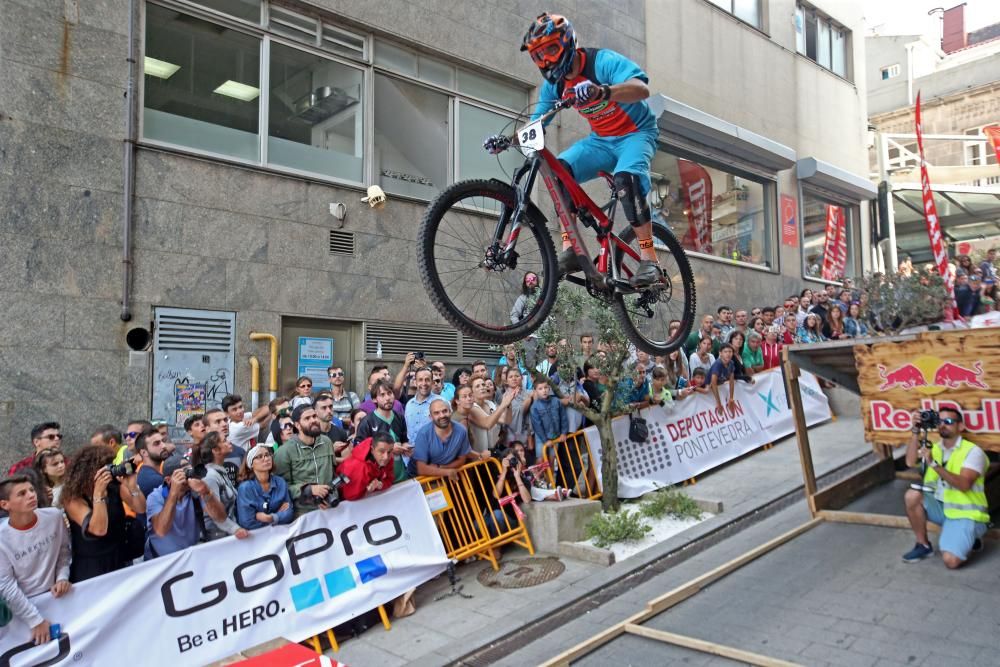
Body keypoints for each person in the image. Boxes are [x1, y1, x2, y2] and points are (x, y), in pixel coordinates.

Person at [495, 13, 660, 287]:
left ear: (568, 42)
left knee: (627, 179)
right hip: (601, 141)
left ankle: (649, 258)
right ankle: (571, 249)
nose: (546, 60)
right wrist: (507, 141)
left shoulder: (602, 62)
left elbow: (641, 89)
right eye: (538, 56)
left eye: (551, 49)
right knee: (558, 173)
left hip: (636, 134)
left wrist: (602, 92)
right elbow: (538, 120)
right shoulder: (555, 85)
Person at [902, 408, 989, 568]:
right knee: (912, 495)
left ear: (961, 426)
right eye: (940, 422)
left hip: (966, 513)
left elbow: (964, 485)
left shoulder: (972, 452)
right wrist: (915, 431)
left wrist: (934, 464)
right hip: (943, 508)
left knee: (951, 561)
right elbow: (909, 462)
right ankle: (923, 545)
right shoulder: (935, 448)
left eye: (948, 422)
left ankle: (972, 536)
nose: (943, 425)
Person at [0, 475, 72, 646]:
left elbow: (64, 551)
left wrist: (62, 577)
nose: (31, 495)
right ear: (5, 504)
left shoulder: (54, 516)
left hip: (59, 599)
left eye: (32, 490)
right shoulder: (2, 538)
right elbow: (6, 584)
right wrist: (35, 620)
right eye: (22, 494)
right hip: (21, 612)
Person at [60, 445, 146, 582]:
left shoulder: (113, 487)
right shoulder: (73, 497)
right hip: (92, 563)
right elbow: (98, 529)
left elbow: (140, 508)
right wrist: (98, 494)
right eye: (103, 468)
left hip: (119, 556)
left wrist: (132, 486)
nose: (107, 472)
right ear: (89, 471)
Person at [146, 458, 230, 558]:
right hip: (163, 561)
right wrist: (173, 493)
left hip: (190, 557)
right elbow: (161, 530)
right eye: (185, 472)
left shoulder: (195, 491)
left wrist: (206, 493)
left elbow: (221, 518)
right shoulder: (155, 497)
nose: (189, 476)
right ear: (168, 480)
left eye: (189, 470)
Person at [273, 404, 338, 517]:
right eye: (307, 418)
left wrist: (331, 496)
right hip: (302, 514)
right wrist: (308, 490)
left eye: (314, 416)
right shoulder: (284, 451)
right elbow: (280, 489)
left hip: (329, 509)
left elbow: (333, 476)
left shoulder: (327, 442)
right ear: (297, 425)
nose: (313, 420)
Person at [410, 399, 489, 478]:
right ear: (431, 417)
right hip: (420, 477)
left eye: (445, 411)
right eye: (436, 413)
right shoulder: (424, 434)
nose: (442, 415)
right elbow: (421, 469)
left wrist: (443, 468)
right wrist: (446, 472)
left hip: (443, 474)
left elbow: (461, 459)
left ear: (450, 412)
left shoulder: (461, 430)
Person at [355, 379, 413, 482]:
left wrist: (405, 447)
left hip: (400, 476)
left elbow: (404, 440)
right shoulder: (367, 422)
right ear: (374, 399)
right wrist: (388, 450)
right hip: (379, 480)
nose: (387, 398)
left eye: (389, 393)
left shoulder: (399, 417)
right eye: (382, 395)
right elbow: (358, 452)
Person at [197, 432, 251, 541]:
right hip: (217, 538)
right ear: (216, 450)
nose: (229, 442)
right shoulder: (210, 476)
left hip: (226, 535)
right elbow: (214, 513)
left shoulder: (219, 472)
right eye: (224, 440)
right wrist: (235, 529)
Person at [236, 444, 293, 530]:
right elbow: (247, 522)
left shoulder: (280, 482)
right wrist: (278, 516)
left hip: (280, 536)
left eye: (267, 455)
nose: (266, 459)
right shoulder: (245, 488)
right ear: (250, 464)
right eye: (259, 457)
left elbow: (289, 513)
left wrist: (271, 518)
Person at [337, 434, 396, 502]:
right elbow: (350, 496)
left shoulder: (388, 458)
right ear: (372, 450)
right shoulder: (358, 467)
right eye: (381, 451)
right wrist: (366, 490)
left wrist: (380, 485)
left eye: (389, 452)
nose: (386, 457)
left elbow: (390, 479)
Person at [469, 376, 515, 455]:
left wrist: (508, 404)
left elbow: (507, 420)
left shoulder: (490, 404)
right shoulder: (471, 407)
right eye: (477, 386)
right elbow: (487, 423)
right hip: (479, 457)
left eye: (483, 385)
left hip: (492, 452)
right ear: (472, 392)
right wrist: (503, 404)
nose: (482, 387)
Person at [135, 426, 171, 497]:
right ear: (144, 452)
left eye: (163, 441)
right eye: (157, 443)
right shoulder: (155, 480)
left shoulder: (145, 473)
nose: (163, 446)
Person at [708, 344, 738, 414]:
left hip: (720, 384)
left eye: (730, 352)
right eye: (725, 352)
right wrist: (719, 403)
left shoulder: (731, 363)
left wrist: (731, 398)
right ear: (720, 353)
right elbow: (713, 384)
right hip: (708, 387)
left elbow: (731, 381)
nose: (728, 354)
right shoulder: (717, 364)